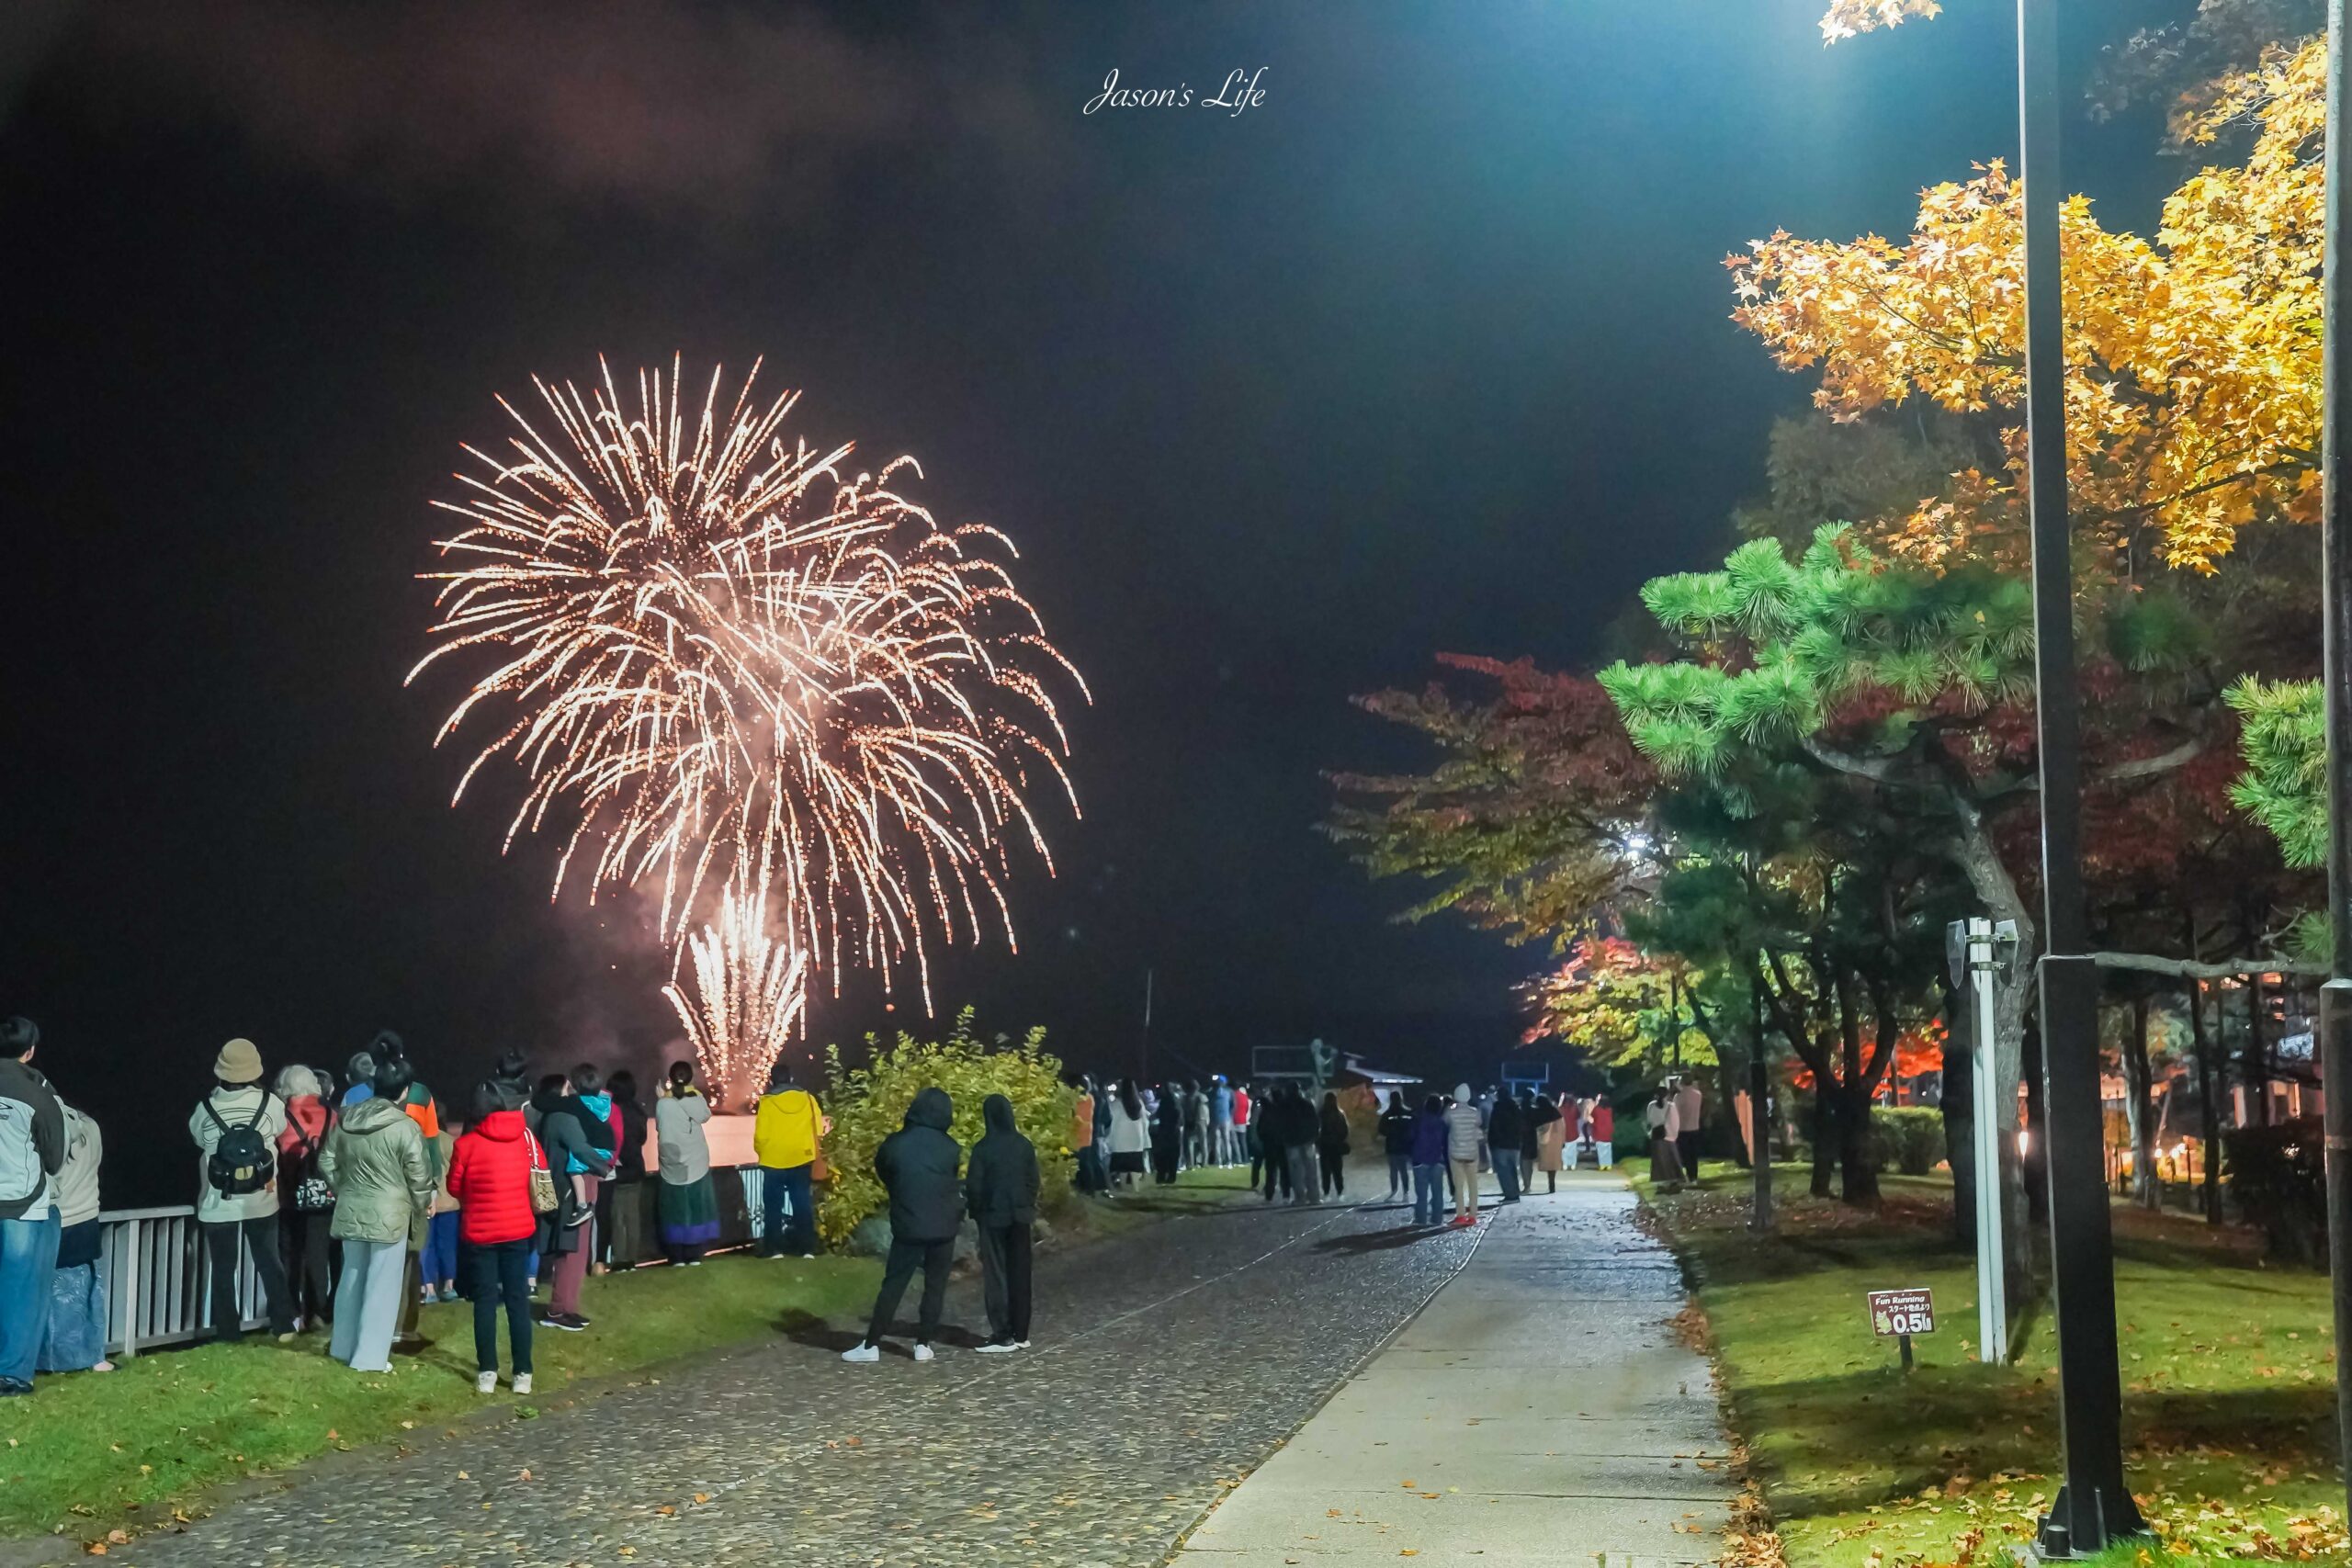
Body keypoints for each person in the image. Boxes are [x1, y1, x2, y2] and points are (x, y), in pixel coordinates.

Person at [320, 1057, 432, 1373]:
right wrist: (421, 1204)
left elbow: (326, 1161)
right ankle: (369, 1358)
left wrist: (344, 1189)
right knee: (382, 1285)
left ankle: (342, 1346)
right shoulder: (405, 1127)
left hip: (351, 1207)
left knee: (351, 1279)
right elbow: (418, 1175)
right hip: (390, 1213)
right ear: (405, 1091)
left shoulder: (346, 1118)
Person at [842, 1088, 963, 1363]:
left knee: (894, 1283)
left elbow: (884, 1169)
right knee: (936, 1285)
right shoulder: (950, 1147)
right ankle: (923, 1344)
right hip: (944, 1224)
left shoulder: (896, 1143)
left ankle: (871, 1344)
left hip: (910, 1222)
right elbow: (950, 1178)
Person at [188, 1038, 297, 1343]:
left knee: (223, 1270)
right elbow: (278, 1130)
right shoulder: (270, 1103)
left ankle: (228, 1333)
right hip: (261, 1199)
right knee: (269, 1261)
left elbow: (199, 1139)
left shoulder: (205, 1108)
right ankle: (284, 1326)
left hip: (217, 1202)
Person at [447, 1079, 538, 1394]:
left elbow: (454, 1188)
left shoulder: (466, 1145)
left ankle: (487, 1371)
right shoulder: (526, 1140)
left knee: (485, 1302)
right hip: (518, 1230)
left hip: (481, 1233)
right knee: (517, 1301)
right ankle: (523, 1373)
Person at [0, 1018, 66, 1396]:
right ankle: (11, 1374)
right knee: (21, 1290)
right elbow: (55, 1159)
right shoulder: (37, 1094)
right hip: (22, 1205)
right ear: (30, 1050)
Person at [528, 1071, 611, 1332]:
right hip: (568, 1191)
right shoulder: (563, 1117)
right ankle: (559, 1309)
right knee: (572, 1251)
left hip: (560, 1187)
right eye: (567, 1087)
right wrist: (603, 1167)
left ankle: (567, 1307)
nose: (571, 1091)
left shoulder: (549, 1115)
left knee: (573, 1251)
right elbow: (580, 1147)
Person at [38, 1100, 109, 1377]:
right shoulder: (90, 1126)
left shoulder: (46, 1131)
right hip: (87, 1217)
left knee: (47, 1296)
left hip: (52, 1220)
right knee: (86, 1295)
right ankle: (94, 1357)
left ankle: (52, 1361)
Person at [964, 1093, 1040, 1353]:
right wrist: (1027, 1203)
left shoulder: (983, 1148)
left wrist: (976, 1210)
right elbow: (1033, 1180)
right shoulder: (1023, 1145)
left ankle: (1002, 1332)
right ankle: (1021, 1331)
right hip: (1020, 1215)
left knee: (996, 1274)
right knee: (1021, 1272)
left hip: (993, 1216)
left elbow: (974, 1186)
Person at [274, 1065, 335, 1330]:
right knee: (318, 1255)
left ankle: (291, 1314)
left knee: (289, 1256)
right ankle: (318, 1313)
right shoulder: (333, 1116)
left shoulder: (280, 1117)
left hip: (288, 1198)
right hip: (325, 1197)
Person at [752, 1060, 823, 1258]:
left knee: (773, 1206)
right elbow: (817, 1128)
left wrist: (761, 1152)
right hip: (801, 1158)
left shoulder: (767, 1103)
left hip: (773, 1160)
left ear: (771, 1082)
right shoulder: (808, 1099)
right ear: (791, 1079)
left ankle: (774, 1249)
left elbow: (761, 1136)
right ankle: (807, 1248)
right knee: (801, 1203)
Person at [653, 1061, 718, 1266]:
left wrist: (664, 1097)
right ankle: (694, 1253)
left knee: (674, 1209)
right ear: (691, 1078)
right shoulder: (697, 1101)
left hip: (671, 1164)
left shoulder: (663, 1103)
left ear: (670, 1079)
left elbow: (660, 1128)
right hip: (696, 1162)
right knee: (697, 1208)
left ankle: (676, 1255)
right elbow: (705, 1116)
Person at [595, 1068, 649, 1270]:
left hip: (617, 1168)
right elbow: (642, 1138)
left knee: (617, 1217)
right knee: (632, 1216)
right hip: (636, 1168)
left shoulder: (611, 1111)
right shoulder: (639, 1111)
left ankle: (619, 1260)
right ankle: (631, 1259)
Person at [421, 1112, 463, 1303]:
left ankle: (428, 1288)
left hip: (425, 1203)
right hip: (450, 1201)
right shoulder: (449, 1141)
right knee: (448, 1246)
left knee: (426, 1246)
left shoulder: (417, 1141)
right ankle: (449, 1285)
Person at [1443, 1083, 1485, 1226]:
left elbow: (1445, 1122)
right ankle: (1473, 1215)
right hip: (1472, 1153)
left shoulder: (1450, 1112)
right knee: (1473, 1185)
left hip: (1455, 1153)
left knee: (1458, 1186)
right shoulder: (1475, 1112)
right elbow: (1479, 1124)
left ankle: (1460, 1215)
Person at [1408, 1094, 1449, 1225]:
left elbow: (1410, 1137)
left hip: (1420, 1159)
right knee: (1437, 1192)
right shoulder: (1442, 1122)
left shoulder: (1418, 1120)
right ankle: (1437, 1219)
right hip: (1438, 1159)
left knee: (1421, 1193)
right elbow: (1446, 1142)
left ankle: (1421, 1219)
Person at [1105, 1079, 1148, 1190]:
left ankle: (1124, 1190)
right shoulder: (1139, 1104)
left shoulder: (1115, 1104)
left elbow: (1112, 1124)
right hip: (1136, 1142)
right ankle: (1136, 1190)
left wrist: (1109, 1141)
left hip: (1120, 1143)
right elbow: (1145, 1123)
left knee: (1122, 1170)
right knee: (1135, 1170)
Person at [1282, 1087, 1320, 1206]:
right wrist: (1314, 1137)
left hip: (1292, 1142)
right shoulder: (1307, 1105)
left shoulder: (1285, 1106)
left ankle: (1300, 1197)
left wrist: (1285, 1139)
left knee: (1296, 1172)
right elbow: (1315, 1122)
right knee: (1311, 1170)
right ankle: (1314, 1197)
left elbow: (1281, 1125)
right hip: (1308, 1141)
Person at [1487, 1089, 1524, 1204]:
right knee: (1512, 1169)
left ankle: (1510, 1195)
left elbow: (1494, 1127)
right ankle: (1515, 1192)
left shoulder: (1498, 1108)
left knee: (1503, 1171)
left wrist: (1493, 1142)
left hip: (1500, 1144)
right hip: (1514, 1144)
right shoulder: (1515, 1108)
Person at [1069, 1076, 1102, 1197]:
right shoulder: (1090, 1098)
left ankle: (1085, 1188)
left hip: (1077, 1133)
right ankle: (1089, 1189)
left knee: (1080, 1163)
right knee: (1085, 1163)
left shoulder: (1078, 1099)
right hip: (1087, 1133)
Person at [1522, 1089, 1560, 1194]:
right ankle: (1551, 1185)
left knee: (1528, 1163)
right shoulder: (1554, 1111)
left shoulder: (1536, 1112)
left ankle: (1527, 1186)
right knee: (1551, 1166)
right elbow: (1560, 1126)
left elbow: (1533, 1126)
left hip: (1535, 1141)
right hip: (1552, 1142)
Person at [1377, 1091, 1413, 1201]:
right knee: (1403, 1171)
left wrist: (1390, 1133)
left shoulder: (1387, 1114)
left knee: (1393, 1171)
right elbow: (1413, 1128)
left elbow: (1381, 1129)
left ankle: (1394, 1191)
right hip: (1404, 1147)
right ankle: (1405, 1193)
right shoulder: (1408, 1113)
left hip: (1392, 1146)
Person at [1316, 1090, 1351, 1199]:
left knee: (1326, 1172)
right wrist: (1340, 1139)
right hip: (1336, 1146)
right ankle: (1339, 1192)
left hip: (1325, 1146)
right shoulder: (1339, 1113)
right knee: (1337, 1171)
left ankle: (1326, 1192)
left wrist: (1319, 1142)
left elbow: (1317, 1130)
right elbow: (1345, 1130)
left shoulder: (1321, 1114)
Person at [1647, 1088, 1685, 1186]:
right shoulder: (1670, 1106)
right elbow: (1676, 1122)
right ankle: (1674, 1178)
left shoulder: (1651, 1106)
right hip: (1668, 1134)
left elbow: (1650, 1119)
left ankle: (1659, 1179)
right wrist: (1674, 1134)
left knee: (1658, 1158)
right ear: (1667, 1095)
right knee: (1671, 1157)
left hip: (1656, 1134)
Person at [1148, 1084, 1182, 1185]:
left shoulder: (1165, 1102)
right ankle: (1171, 1176)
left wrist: (1150, 1119)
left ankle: (1162, 1175)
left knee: (1163, 1155)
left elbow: (1158, 1115)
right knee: (1172, 1156)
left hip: (1165, 1131)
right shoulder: (1175, 1101)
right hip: (1173, 1131)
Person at [1534, 1093, 1568, 1192]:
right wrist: (1563, 1140)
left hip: (1544, 1142)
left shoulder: (1539, 1112)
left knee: (1546, 1162)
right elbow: (1562, 1127)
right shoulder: (1555, 1112)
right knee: (1553, 1164)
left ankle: (1550, 1184)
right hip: (1556, 1141)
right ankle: (1552, 1184)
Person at [1675, 1077, 1704, 1182]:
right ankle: (1694, 1176)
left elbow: (1675, 1112)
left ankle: (1689, 1175)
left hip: (1682, 1128)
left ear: (1681, 1083)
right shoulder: (1698, 1094)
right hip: (1695, 1127)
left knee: (1685, 1154)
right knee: (1693, 1153)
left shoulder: (1678, 1096)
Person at [1211, 1076, 1236, 1165]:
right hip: (1225, 1118)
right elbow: (1233, 1105)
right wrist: (1230, 1115)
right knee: (1226, 1140)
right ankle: (1228, 1161)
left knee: (1217, 1141)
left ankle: (1219, 1161)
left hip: (1215, 1118)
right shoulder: (1228, 1092)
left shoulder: (1211, 1093)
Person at [1587, 1095, 1615, 1170]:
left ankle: (1602, 1165)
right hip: (1608, 1131)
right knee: (1608, 1149)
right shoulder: (1610, 1110)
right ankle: (1608, 1165)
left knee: (1601, 1149)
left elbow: (1592, 1116)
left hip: (1599, 1130)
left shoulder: (1596, 1109)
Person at [1231, 1081, 1252, 1169]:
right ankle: (1246, 1158)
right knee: (1243, 1141)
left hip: (1233, 1120)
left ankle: (1236, 1159)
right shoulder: (1245, 1096)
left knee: (1234, 1142)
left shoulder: (1232, 1095)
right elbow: (1247, 1108)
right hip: (1242, 1120)